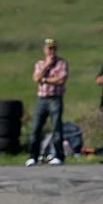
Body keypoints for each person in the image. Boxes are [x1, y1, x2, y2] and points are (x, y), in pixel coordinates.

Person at [26, 38, 68, 166]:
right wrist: (47, 65)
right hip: (42, 99)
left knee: (56, 128)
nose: (51, 51)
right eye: (49, 49)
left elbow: (61, 80)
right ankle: (33, 156)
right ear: (44, 50)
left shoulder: (61, 63)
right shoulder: (39, 63)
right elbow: (36, 78)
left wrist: (45, 80)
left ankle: (58, 156)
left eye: (53, 49)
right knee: (36, 128)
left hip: (55, 98)